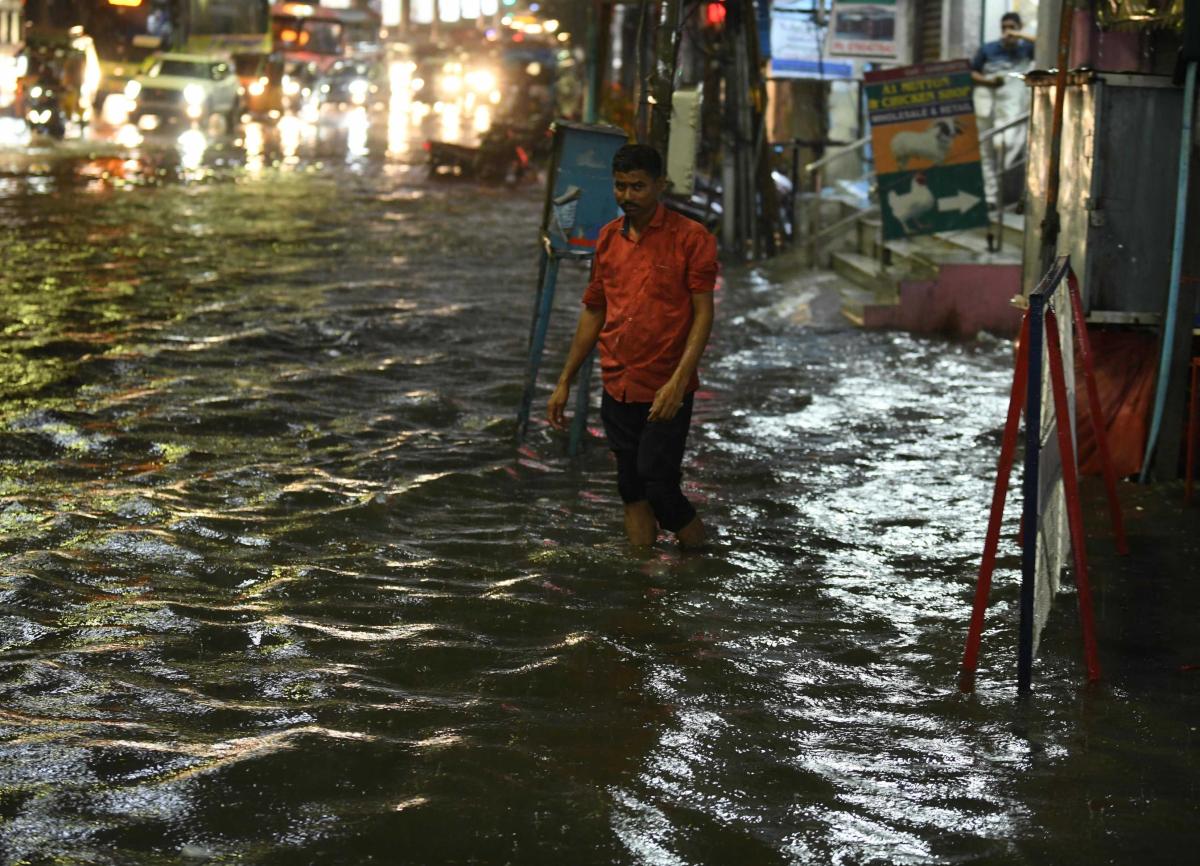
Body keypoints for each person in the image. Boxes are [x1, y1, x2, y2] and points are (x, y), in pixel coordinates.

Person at [547, 144, 718, 550]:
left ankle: (702, 564)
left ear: (660, 185)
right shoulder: (608, 239)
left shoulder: (691, 238)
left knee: (660, 487)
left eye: (638, 186)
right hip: (617, 382)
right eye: (621, 186)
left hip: (665, 389)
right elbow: (594, 311)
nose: (627, 196)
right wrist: (565, 379)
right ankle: (642, 578)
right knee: (630, 487)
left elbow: (703, 315)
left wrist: (678, 384)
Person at [971, 11, 1036, 208]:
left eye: (1011, 27)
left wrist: (1019, 36)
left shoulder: (1026, 49)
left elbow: (1045, 42)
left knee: (1006, 144)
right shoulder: (989, 49)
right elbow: (973, 71)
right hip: (987, 102)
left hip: (1011, 106)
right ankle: (990, 197)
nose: (1007, 32)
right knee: (987, 151)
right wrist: (988, 81)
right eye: (1004, 28)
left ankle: (1002, 193)